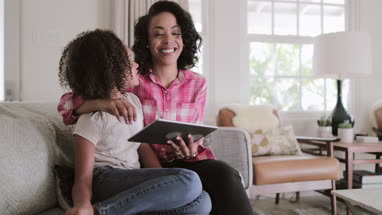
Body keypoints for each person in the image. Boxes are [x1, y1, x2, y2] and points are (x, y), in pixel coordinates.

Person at [57, 2, 254, 215]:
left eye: (176, 33)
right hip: (142, 167)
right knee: (191, 184)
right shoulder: (132, 82)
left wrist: (191, 150)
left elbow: (194, 135)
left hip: (181, 162)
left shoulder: (196, 83)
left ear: (184, 39)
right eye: (158, 34)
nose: (169, 40)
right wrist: (101, 103)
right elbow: (70, 105)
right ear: (147, 42)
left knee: (220, 179)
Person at [58, 29, 211, 215]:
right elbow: (82, 178)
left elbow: (143, 147)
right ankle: (101, 212)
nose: (137, 64)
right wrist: (83, 205)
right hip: (105, 179)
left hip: (131, 178)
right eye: (129, 61)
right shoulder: (92, 118)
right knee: (189, 180)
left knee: (203, 201)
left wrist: (165, 180)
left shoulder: (133, 101)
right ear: (110, 70)